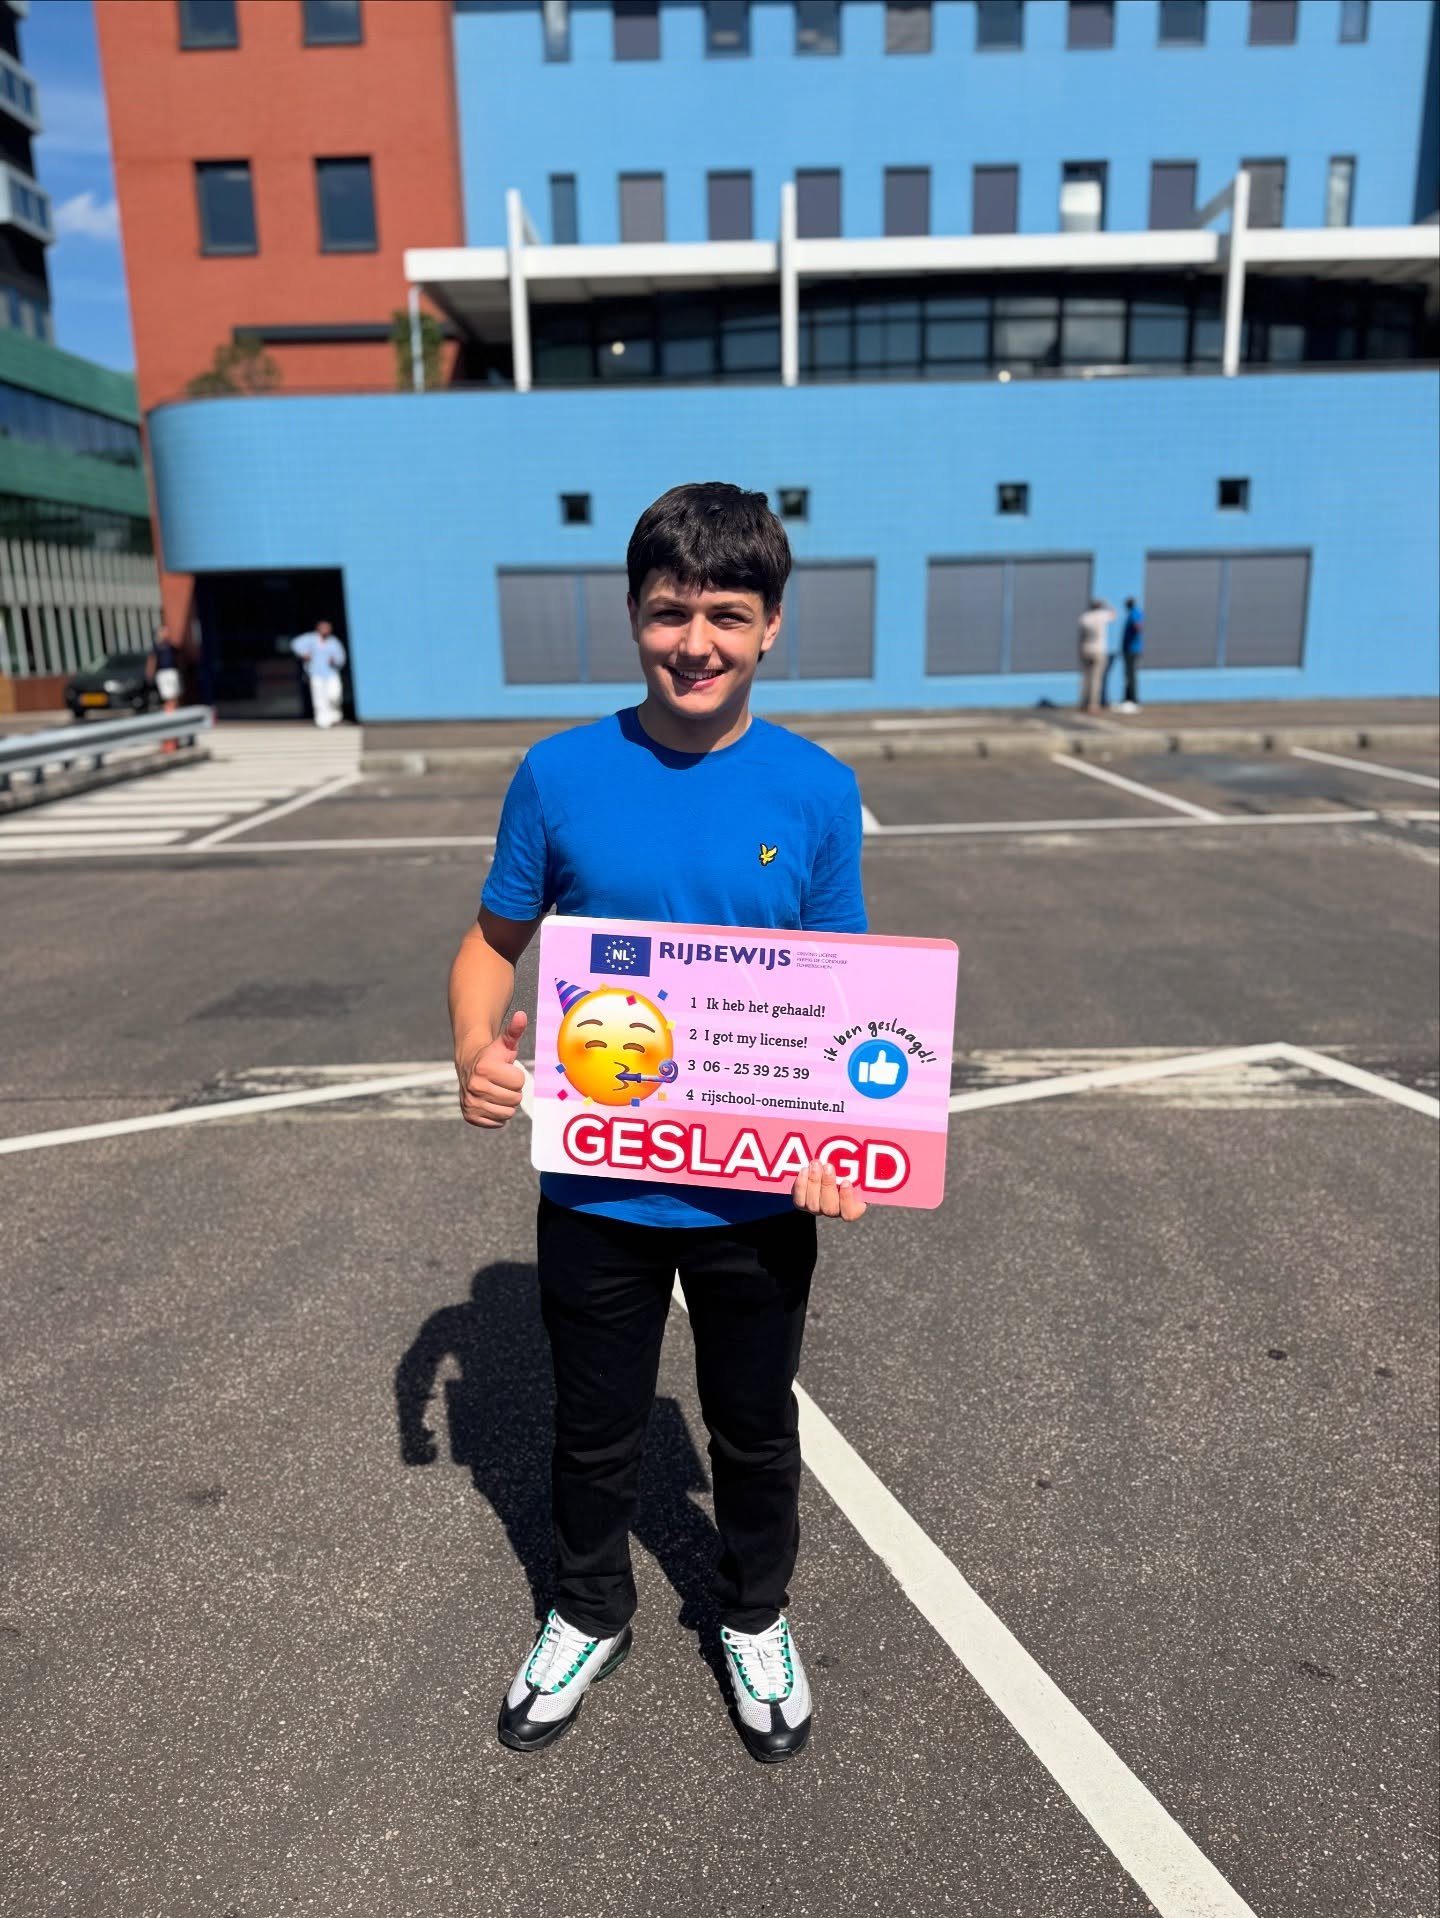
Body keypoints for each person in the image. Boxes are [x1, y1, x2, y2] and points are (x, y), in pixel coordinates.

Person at [448, 483, 868, 1765]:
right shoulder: (560, 773)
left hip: (755, 1192)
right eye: (670, 613)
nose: (696, 643)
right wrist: (473, 1046)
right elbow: (491, 942)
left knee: (754, 1428)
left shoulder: (815, 790)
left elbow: (845, 997)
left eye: (726, 616)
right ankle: (588, 1609)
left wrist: (846, 1145)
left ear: (771, 625)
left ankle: (754, 1612)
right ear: (632, 614)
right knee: (593, 1430)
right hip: (598, 1185)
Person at [289, 619, 346, 728]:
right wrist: (303, 653)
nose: (325, 630)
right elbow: (295, 644)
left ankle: (334, 715)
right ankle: (322, 721)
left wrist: (335, 660)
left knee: (334, 695)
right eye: (322, 627)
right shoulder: (310, 639)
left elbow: (341, 658)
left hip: (331, 673)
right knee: (319, 697)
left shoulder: (334, 642)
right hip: (315, 673)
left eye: (327, 628)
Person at [146, 622, 183, 750]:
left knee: (174, 697)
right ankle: (170, 715)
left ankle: (173, 713)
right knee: (168, 697)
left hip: (172, 672)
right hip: (163, 674)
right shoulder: (156, 647)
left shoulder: (170, 646)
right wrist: (150, 674)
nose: (166, 634)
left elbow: (178, 654)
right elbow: (152, 660)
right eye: (164, 632)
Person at [1077, 596, 1116, 715]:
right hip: (1098, 650)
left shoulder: (1085, 618)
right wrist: (1106, 604)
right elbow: (1114, 614)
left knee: (1086, 678)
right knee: (1096, 679)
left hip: (1085, 649)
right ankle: (1093, 705)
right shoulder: (1102, 616)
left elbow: (1081, 636)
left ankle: (1083, 703)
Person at [1117, 597, 1144, 712]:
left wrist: (1135, 632)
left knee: (1131, 675)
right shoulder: (1133, 613)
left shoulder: (1134, 613)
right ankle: (1127, 699)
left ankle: (1133, 700)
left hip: (1131, 650)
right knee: (1128, 675)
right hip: (1129, 649)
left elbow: (1138, 626)